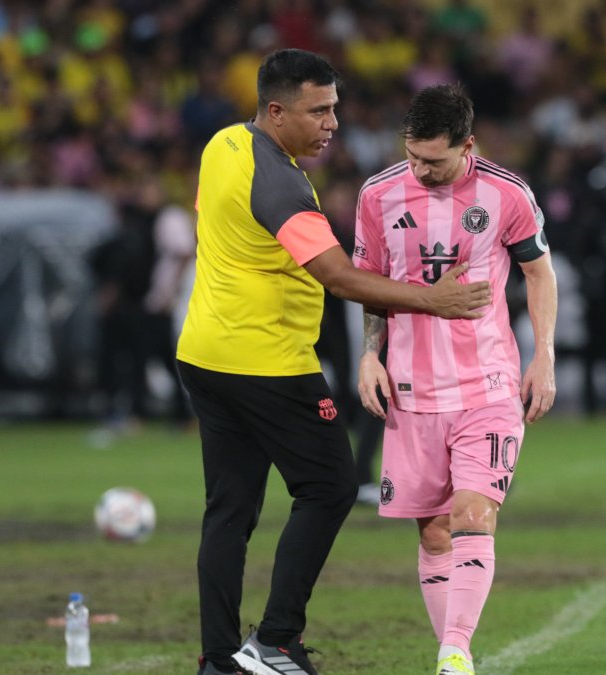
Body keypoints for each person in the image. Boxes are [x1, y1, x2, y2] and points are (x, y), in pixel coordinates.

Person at [175, 50, 492, 675]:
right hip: (265, 361)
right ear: (276, 110)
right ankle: (277, 640)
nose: (332, 124)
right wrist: (437, 300)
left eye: (335, 109)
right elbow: (340, 278)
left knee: (230, 510)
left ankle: (218, 659)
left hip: (205, 354)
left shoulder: (223, 146)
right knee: (330, 486)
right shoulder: (280, 182)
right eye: (318, 111)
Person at [353, 84, 557, 675]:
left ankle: (454, 653)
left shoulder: (507, 193)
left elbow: (539, 275)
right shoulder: (378, 194)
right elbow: (369, 281)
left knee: (473, 513)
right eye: (413, 156)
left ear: (468, 145)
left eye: (435, 161)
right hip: (411, 390)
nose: (421, 170)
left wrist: (543, 355)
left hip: (487, 384)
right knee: (435, 533)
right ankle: (454, 653)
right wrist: (371, 355)